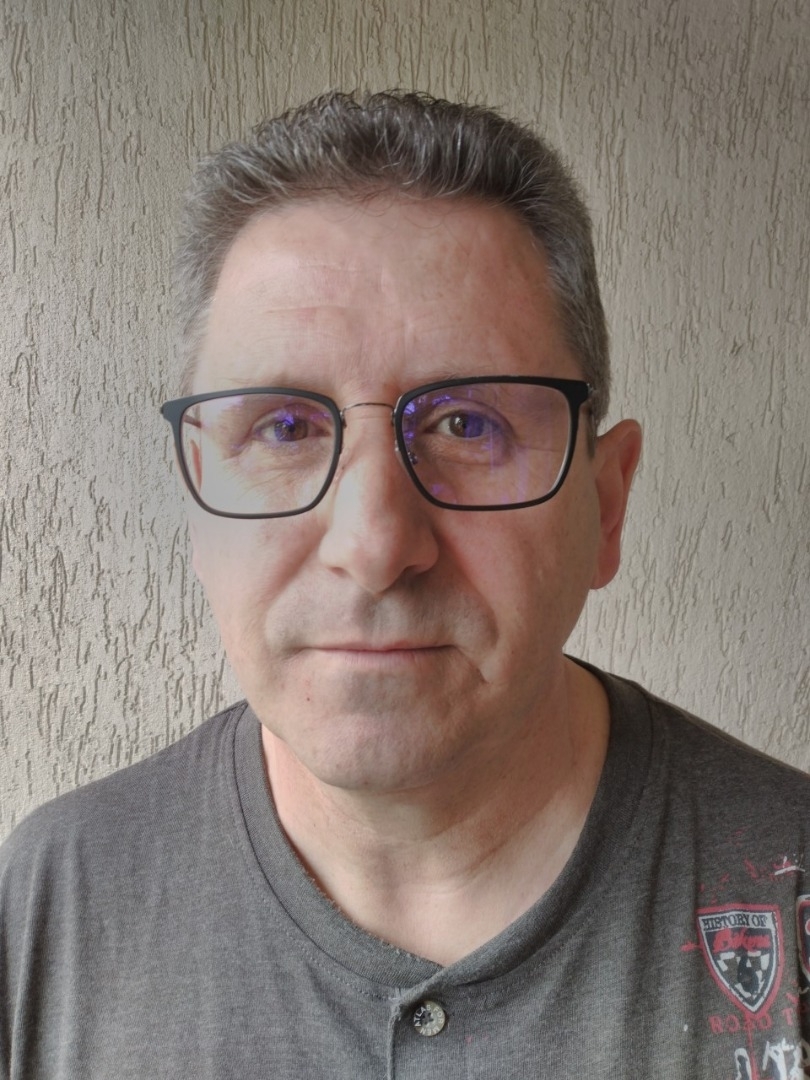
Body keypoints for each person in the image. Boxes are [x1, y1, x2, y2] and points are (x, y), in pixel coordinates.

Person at [1, 91, 807, 1080]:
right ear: (197, 512)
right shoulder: (52, 905)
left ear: (606, 506)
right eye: (285, 429)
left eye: (469, 425)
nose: (376, 544)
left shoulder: (791, 889)